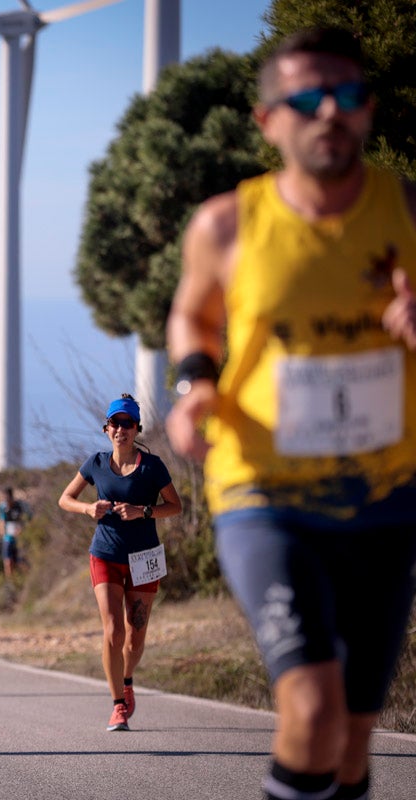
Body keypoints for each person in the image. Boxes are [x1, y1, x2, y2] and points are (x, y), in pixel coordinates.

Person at [165, 27, 416, 800]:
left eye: (349, 96)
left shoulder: (406, 207)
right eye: (307, 98)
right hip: (265, 495)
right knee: (310, 709)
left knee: (353, 738)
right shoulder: (226, 225)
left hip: (386, 496)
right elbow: (191, 317)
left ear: (370, 112)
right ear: (267, 119)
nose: (330, 113)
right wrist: (195, 384)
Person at [58, 394, 181, 732]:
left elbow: (176, 506)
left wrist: (144, 511)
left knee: (135, 638)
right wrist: (87, 508)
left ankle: (127, 680)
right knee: (112, 631)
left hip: (145, 557)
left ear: (137, 428)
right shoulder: (95, 463)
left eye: (127, 424)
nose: (121, 429)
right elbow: (65, 499)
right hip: (106, 554)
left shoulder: (152, 466)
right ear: (106, 428)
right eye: (115, 423)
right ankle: (117, 705)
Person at [0, 486, 31, 578]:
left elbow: (27, 520)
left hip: (19, 539)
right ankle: (9, 581)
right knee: (8, 561)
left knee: (20, 562)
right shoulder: (3, 507)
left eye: (7, 498)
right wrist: (2, 531)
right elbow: (1, 520)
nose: (6, 500)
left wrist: (22, 529)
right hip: (8, 538)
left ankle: (22, 580)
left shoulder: (19, 506)